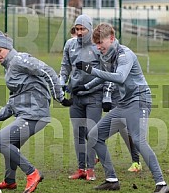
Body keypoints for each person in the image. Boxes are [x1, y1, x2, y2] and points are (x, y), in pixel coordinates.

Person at [74, 22, 169, 193]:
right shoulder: (106, 55)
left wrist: (91, 70)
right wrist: (85, 87)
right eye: (95, 44)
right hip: (124, 104)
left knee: (138, 140)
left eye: (100, 43)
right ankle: (111, 180)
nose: (98, 47)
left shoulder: (124, 55)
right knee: (95, 136)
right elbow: (104, 77)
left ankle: (162, 184)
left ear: (111, 39)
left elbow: (119, 77)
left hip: (139, 100)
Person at [0, 30, 72, 193]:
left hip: (36, 114)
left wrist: (60, 97)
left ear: (8, 48)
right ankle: (10, 181)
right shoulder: (9, 68)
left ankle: (32, 173)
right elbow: (14, 100)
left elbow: (48, 71)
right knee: (11, 144)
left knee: (0, 141)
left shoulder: (19, 60)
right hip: (26, 114)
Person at [59, 15, 140, 181]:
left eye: (83, 29)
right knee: (77, 132)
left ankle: (91, 169)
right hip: (76, 96)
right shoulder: (70, 45)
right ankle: (81, 168)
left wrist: (106, 97)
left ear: (90, 29)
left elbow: (107, 74)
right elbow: (65, 67)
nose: (80, 32)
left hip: (94, 96)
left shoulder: (98, 47)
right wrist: (62, 84)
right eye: (77, 29)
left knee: (92, 132)